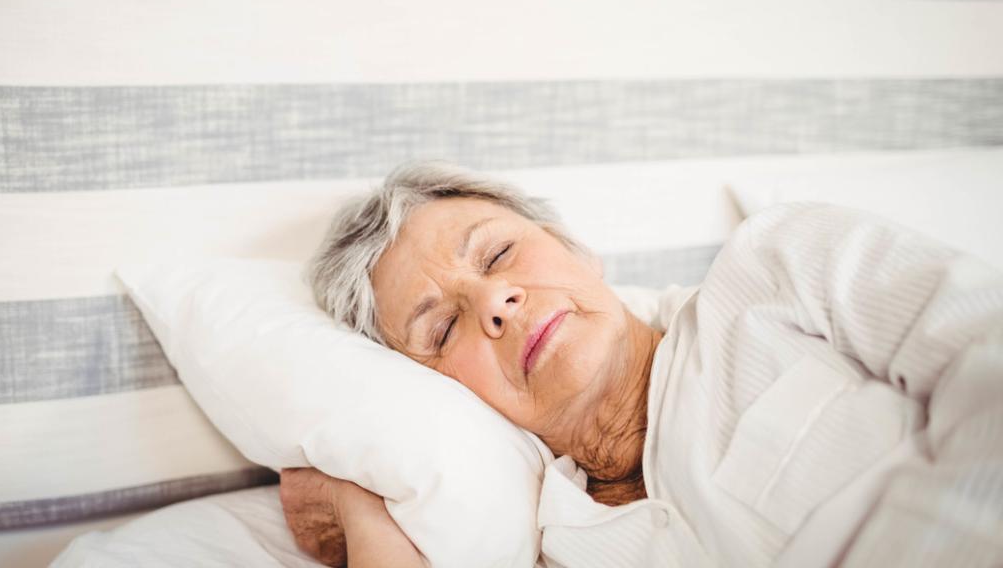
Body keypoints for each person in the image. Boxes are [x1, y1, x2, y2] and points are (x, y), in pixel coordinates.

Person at [280, 161, 1003, 567]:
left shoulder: (776, 267)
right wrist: (361, 509)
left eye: (498, 253)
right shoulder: (549, 541)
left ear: (576, 249)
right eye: (442, 326)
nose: (497, 300)